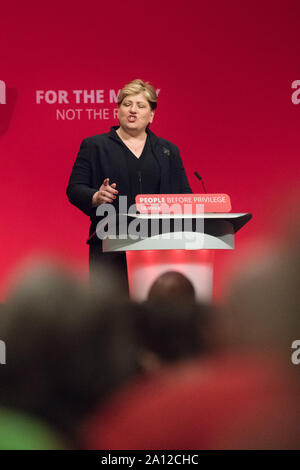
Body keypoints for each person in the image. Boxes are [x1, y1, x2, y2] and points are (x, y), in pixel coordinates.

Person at [67, 79, 192, 285]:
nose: (133, 110)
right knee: (112, 312)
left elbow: (185, 195)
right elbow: (74, 188)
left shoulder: (167, 151)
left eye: (141, 106)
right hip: (110, 245)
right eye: (127, 104)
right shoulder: (95, 146)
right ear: (118, 110)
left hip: (158, 244)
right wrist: (96, 197)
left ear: (152, 114)